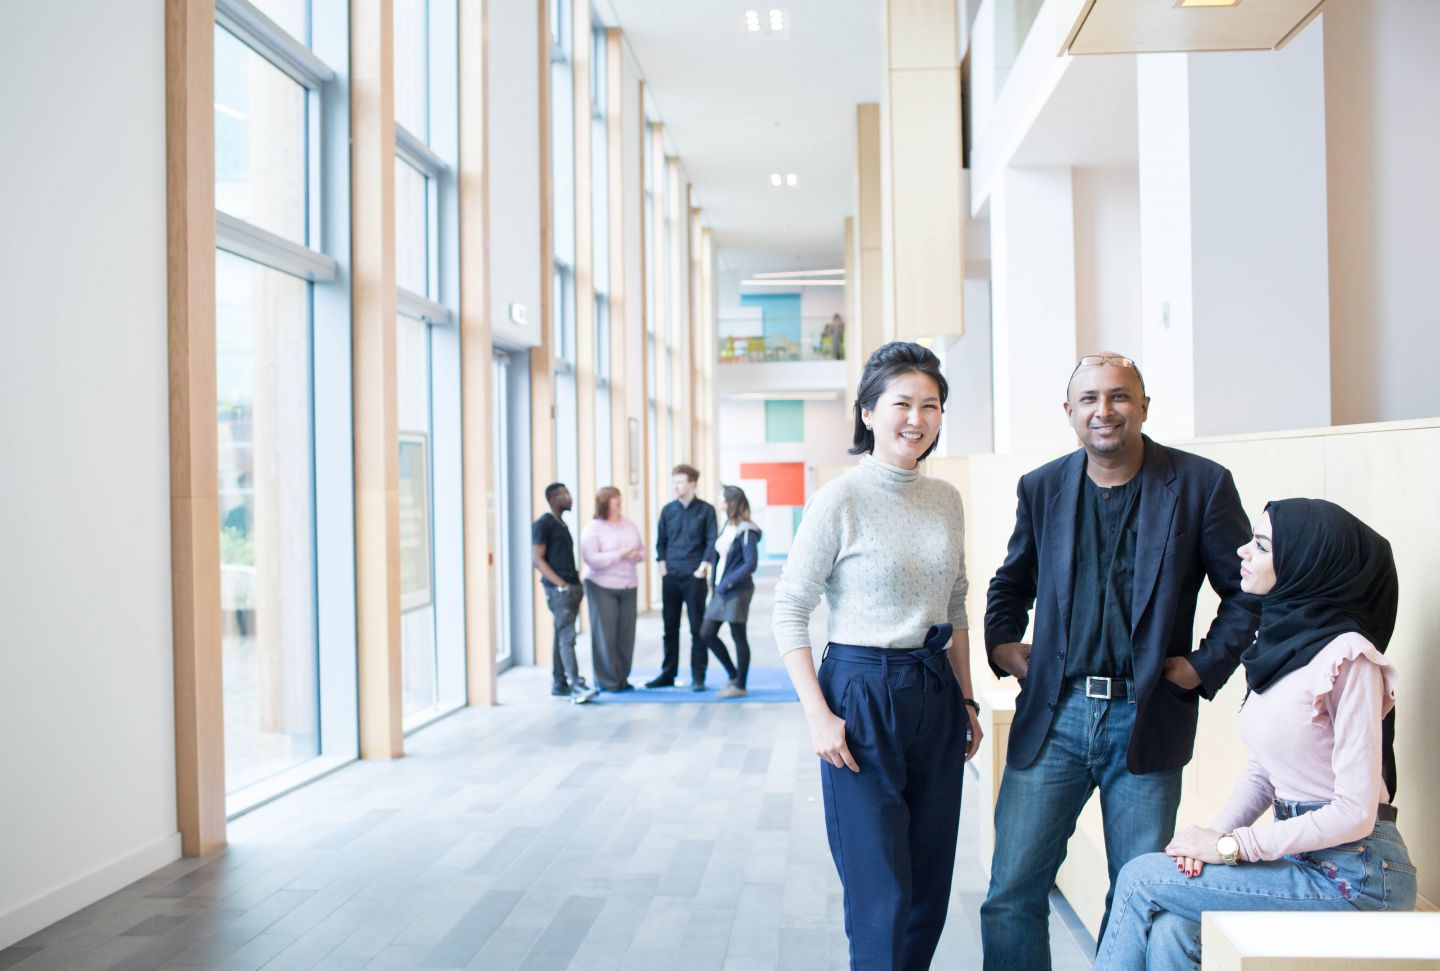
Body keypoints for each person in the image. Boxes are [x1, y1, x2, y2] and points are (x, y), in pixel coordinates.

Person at [980, 353, 1261, 970]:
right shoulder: (1043, 486)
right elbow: (1011, 582)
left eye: (1118, 397)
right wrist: (1002, 643)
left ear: (1143, 405)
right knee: (1010, 894)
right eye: (1089, 399)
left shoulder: (1200, 484)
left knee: (1135, 895)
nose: (1104, 411)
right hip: (1056, 714)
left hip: (1148, 715)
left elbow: (1246, 590)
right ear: (1070, 412)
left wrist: (1202, 666)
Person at [1094, 499, 1414, 969]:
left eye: (1261, 545)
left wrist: (1231, 847)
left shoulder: (1351, 659)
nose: (1243, 551)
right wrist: (1213, 838)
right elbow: (1266, 772)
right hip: (1303, 859)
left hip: (1357, 875)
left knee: (1141, 878)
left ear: (1308, 564)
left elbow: (1355, 812)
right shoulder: (1283, 644)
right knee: (1172, 932)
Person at [774, 341, 983, 970]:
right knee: (882, 894)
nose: (916, 418)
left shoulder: (946, 498)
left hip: (934, 692)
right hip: (861, 694)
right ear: (868, 412)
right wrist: (817, 715)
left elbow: (956, 606)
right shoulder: (840, 500)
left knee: (928, 889)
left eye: (931, 405)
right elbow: (790, 608)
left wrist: (966, 698)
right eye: (902, 403)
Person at [650, 464, 718, 690]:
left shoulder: (706, 510)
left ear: (692, 484)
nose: (676, 487)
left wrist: (704, 567)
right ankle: (667, 673)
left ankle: (698, 676)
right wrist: (661, 565)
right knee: (669, 627)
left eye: (680, 482)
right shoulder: (668, 510)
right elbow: (661, 541)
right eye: (674, 482)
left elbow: (711, 542)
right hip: (671, 575)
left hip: (694, 575)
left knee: (697, 628)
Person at [531, 483, 595, 703]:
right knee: (567, 637)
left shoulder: (562, 525)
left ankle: (560, 683)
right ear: (552, 499)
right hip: (560, 591)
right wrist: (560, 584)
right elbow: (537, 558)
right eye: (562, 495)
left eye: (568, 493)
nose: (568, 497)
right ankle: (576, 684)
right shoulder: (544, 524)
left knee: (561, 634)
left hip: (571, 586)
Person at [581, 486, 645, 693]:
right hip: (602, 585)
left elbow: (642, 550)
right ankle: (607, 681)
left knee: (626, 635)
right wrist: (618, 554)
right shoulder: (593, 528)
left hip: (628, 584)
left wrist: (637, 555)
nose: (618, 501)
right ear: (604, 503)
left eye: (619, 497)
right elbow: (590, 558)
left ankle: (622, 677)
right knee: (605, 634)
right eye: (613, 498)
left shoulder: (629, 524)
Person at [702, 485, 762, 700]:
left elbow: (750, 564)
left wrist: (727, 582)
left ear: (731, 502)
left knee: (738, 635)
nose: (719, 499)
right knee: (707, 633)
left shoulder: (746, 530)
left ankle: (740, 684)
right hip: (722, 590)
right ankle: (733, 675)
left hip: (736, 590)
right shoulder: (728, 525)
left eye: (722, 497)